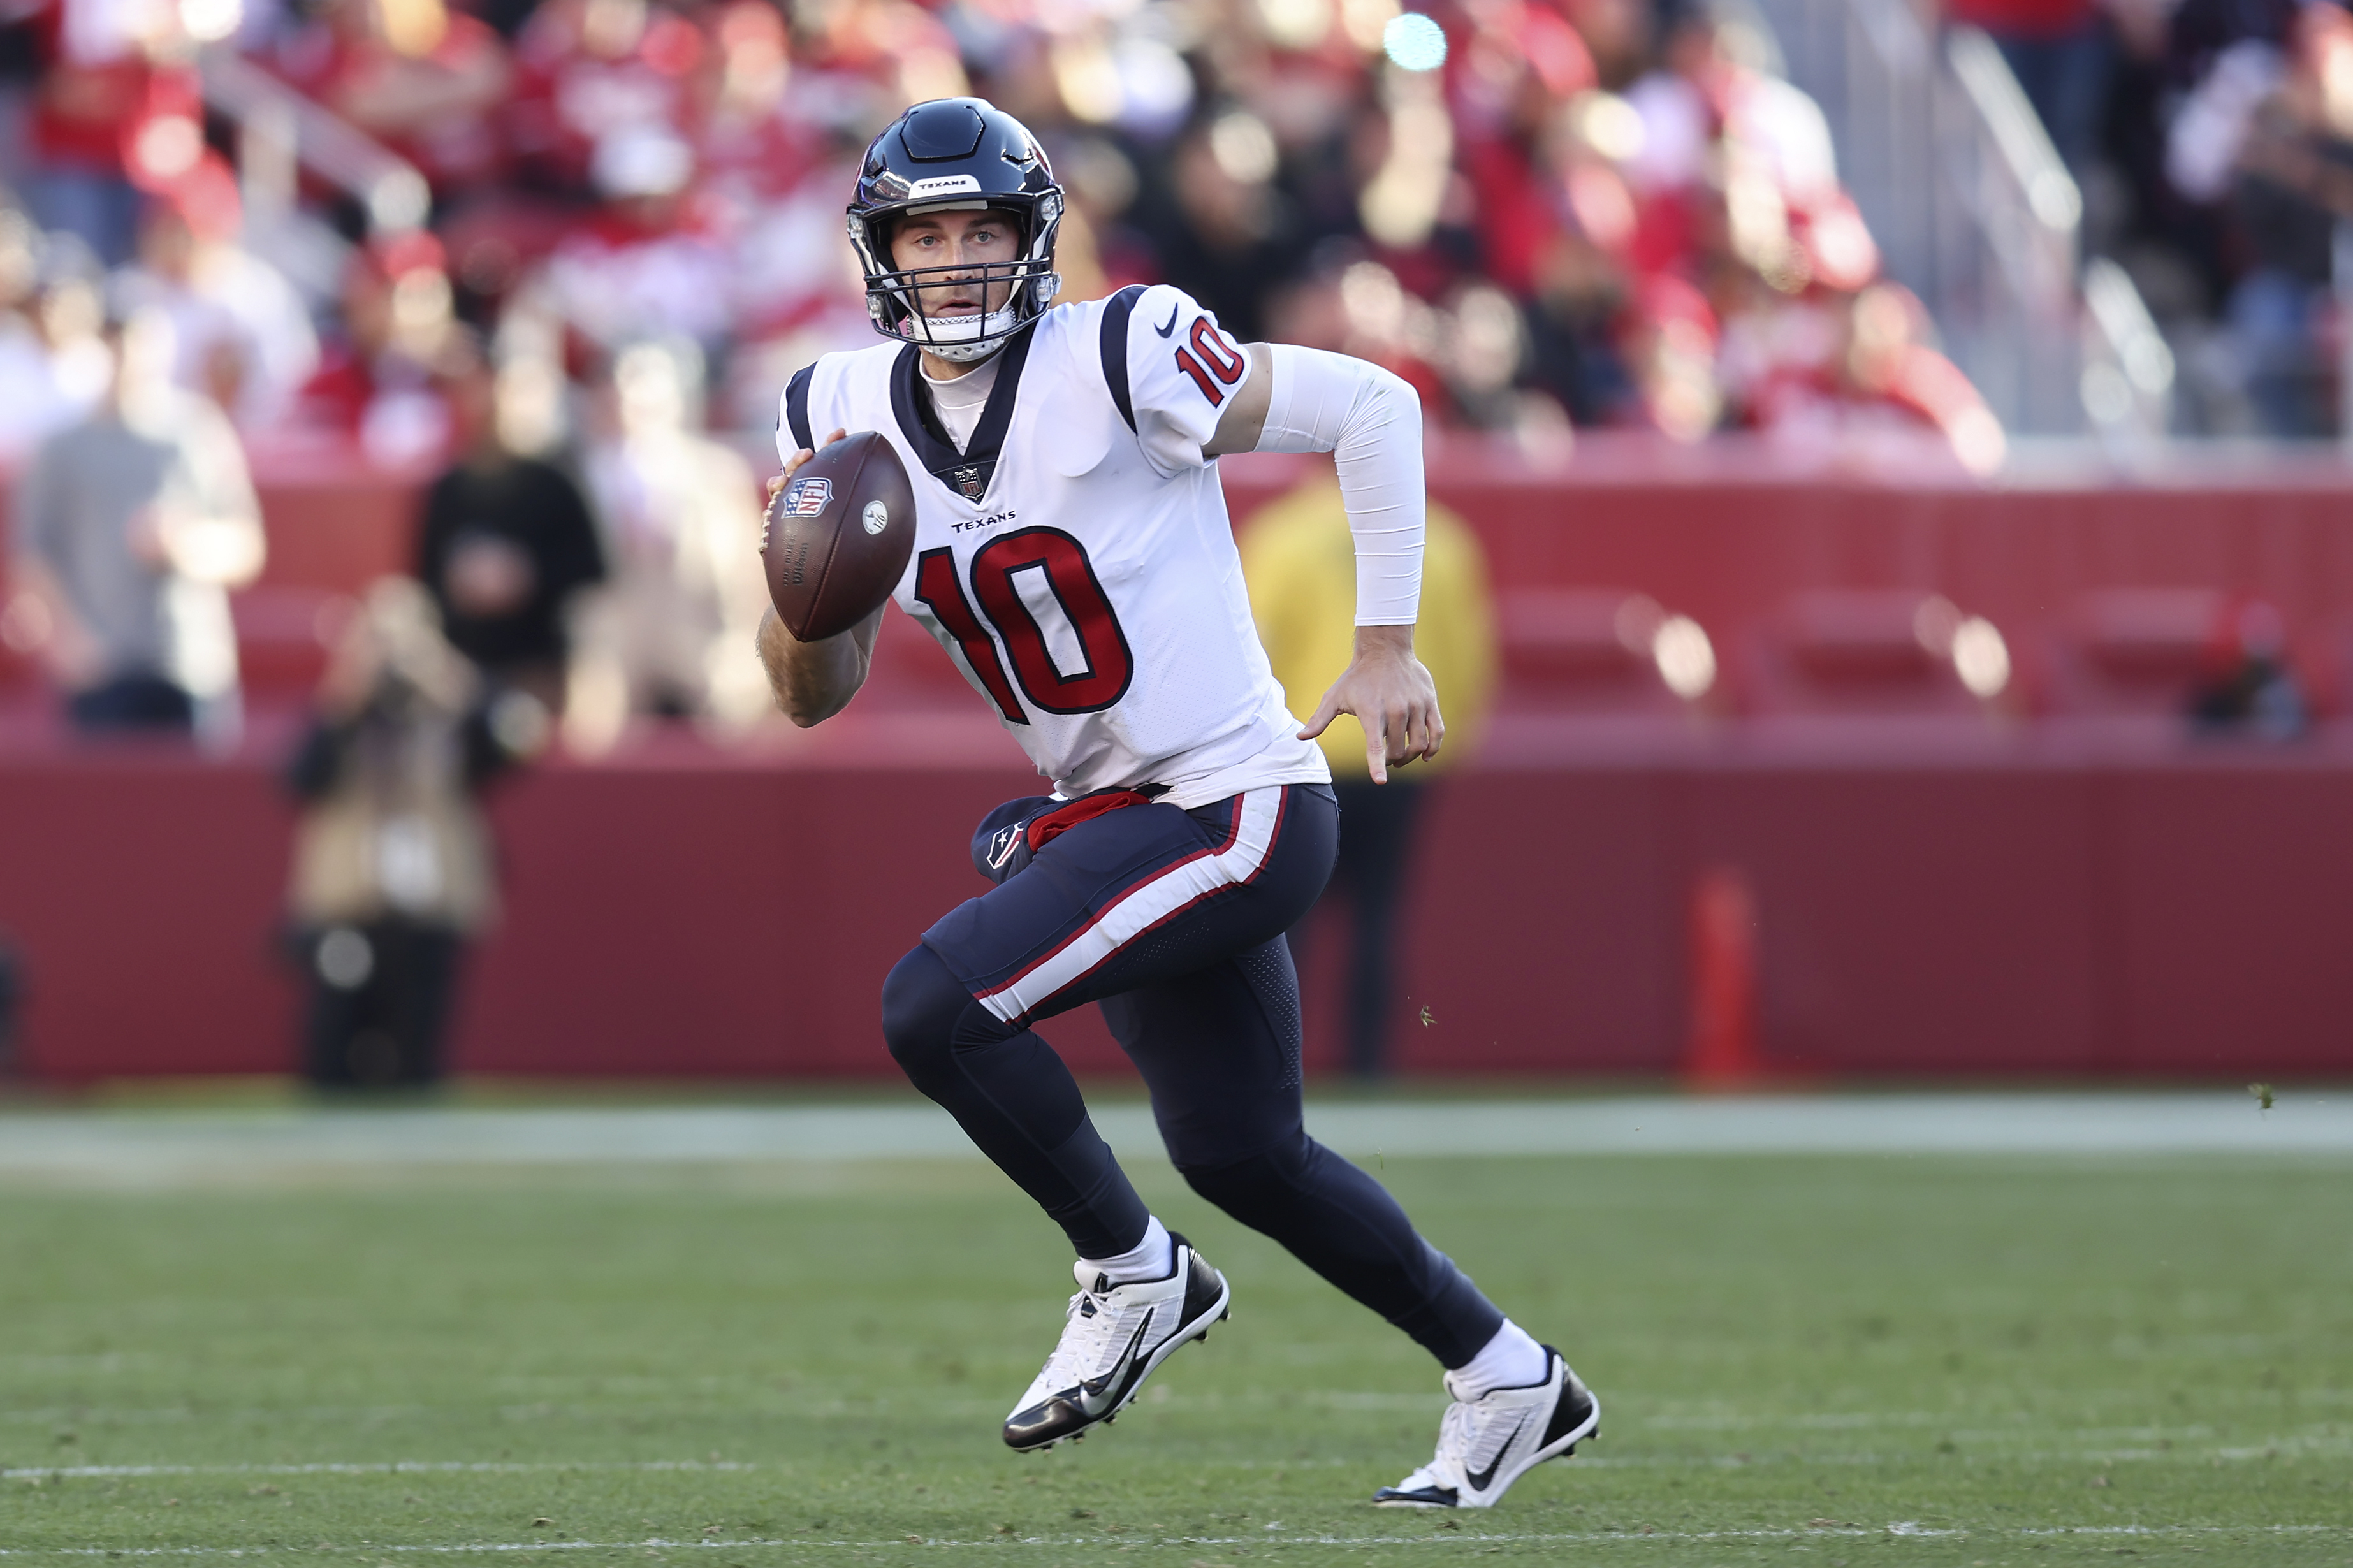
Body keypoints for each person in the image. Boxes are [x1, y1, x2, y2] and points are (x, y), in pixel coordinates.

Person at [756, 98, 1599, 1511]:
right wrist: (802, 589)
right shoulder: (831, 411)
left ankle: (1131, 1272)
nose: (956, 259)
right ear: (881, 249)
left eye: (982, 229)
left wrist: (1385, 642)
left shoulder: (1121, 348)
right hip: (1108, 811)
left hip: (1234, 802)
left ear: (1034, 242)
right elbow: (804, 694)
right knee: (1242, 1153)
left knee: (937, 1005)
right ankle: (1506, 1373)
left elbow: (1373, 407)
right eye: (928, 231)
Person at [1241, 472, 1497, 1078]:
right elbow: (1469, 653)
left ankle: (1277, 1061)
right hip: (1403, 751)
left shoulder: (1285, 534)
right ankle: (1369, 1064)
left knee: (1286, 920)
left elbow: (1252, 643)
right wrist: (1451, 739)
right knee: (1379, 916)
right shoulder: (1443, 536)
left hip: (1307, 752)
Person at [284, 577, 547, 1087]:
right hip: (349, 900)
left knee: (418, 1052)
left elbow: (522, 738)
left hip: (434, 898)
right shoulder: (341, 711)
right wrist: (344, 698)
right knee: (332, 1045)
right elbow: (298, 780)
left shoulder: (451, 707)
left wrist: (456, 684)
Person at [8, 305, 263, 740]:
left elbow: (245, 546)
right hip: (100, 668)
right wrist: (72, 643)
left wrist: (188, 545)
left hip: (189, 662)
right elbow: (32, 555)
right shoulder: (59, 447)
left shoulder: (196, 432)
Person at [414, 333, 606, 714]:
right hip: (461, 669)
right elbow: (424, 579)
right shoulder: (448, 489)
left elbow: (594, 571)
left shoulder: (557, 482)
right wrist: (463, 582)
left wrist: (525, 576)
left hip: (541, 666)